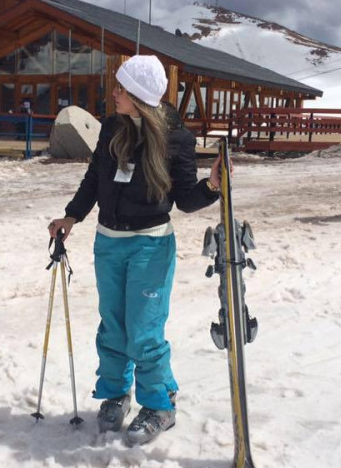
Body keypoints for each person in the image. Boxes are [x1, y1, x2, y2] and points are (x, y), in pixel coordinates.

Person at [47, 55, 222, 446]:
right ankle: (114, 393)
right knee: (113, 326)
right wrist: (72, 216)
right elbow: (95, 176)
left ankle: (160, 404)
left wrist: (211, 187)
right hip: (108, 241)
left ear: (140, 96)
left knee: (143, 331)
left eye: (121, 89)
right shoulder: (113, 125)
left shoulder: (177, 138)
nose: (114, 93)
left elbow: (185, 200)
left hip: (151, 245)